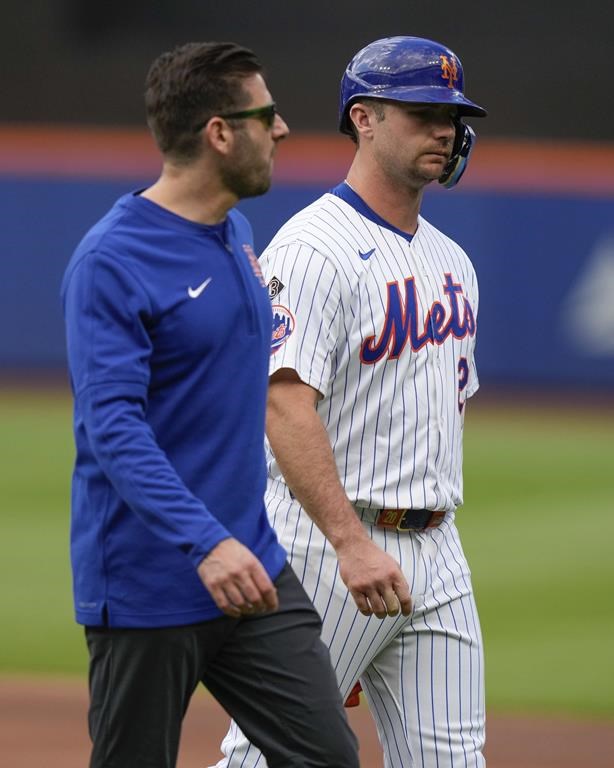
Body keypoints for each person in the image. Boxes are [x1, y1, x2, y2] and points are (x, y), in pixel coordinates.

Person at [60, 41, 359, 768]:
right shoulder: (112, 261)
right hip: (150, 581)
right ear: (220, 133)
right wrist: (205, 542)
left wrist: (233, 540)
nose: (283, 129)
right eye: (267, 115)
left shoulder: (236, 232)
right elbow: (114, 430)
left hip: (251, 565)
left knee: (328, 757)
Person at [215, 36, 487, 768]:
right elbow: (283, 407)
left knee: (453, 761)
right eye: (423, 112)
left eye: (452, 115)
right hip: (327, 546)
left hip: (438, 547)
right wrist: (349, 542)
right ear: (363, 118)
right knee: (267, 757)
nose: (446, 131)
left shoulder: (450, 260)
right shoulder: (313, 248)